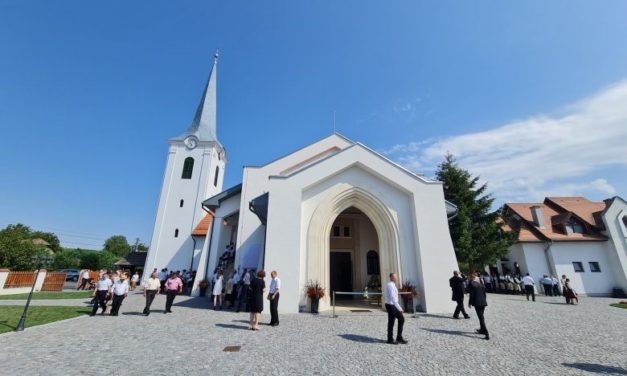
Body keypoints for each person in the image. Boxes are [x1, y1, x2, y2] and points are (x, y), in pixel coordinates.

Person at [385, 273, 407, 345]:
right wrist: (400, 308)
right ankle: (390, 339)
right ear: (391, 277)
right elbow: (393, 298)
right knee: (391, 322)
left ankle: (399, 337)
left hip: (393, 305)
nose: (396, 278)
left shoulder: (393, 285)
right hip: (391, 305)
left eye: (396, 277)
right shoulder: (390, 285)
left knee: (401, 319)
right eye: (394, 277)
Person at [468, 273, 489, 340]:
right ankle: (482, 329)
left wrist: (469, 303)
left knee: (481, 318)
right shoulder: (481, 285)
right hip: (483, 303)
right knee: (481, 317)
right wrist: (484, 301)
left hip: (477, 303)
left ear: (471, 278)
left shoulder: (472, 284)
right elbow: (485, 294)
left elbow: (472, 295)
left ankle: (486, 333)